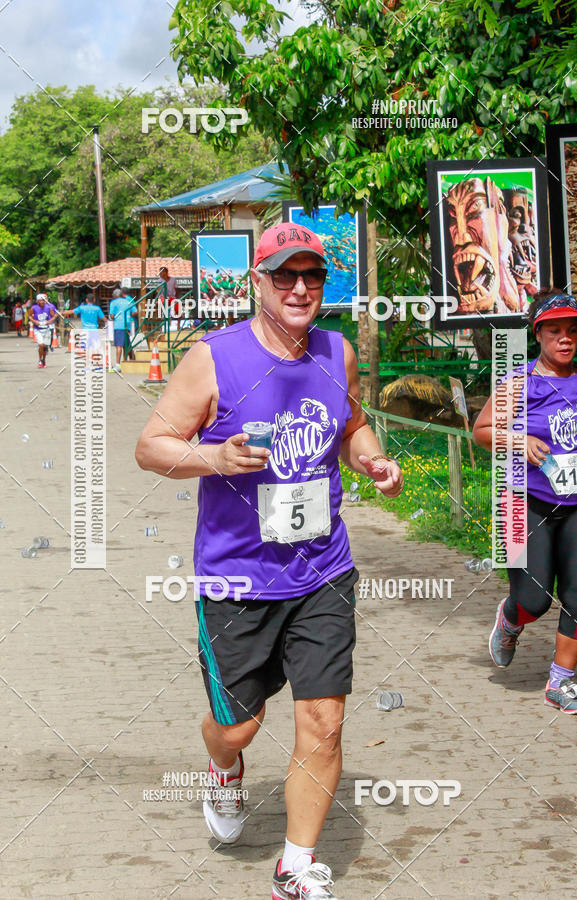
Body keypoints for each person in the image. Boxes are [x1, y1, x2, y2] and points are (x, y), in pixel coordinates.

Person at [135, 222, 404, 899]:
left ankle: (296, 865)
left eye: (312, 275)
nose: (299, 288)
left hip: (322, 570)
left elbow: (349, 423)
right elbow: (152, 445)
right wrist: (213, 457)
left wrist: (370, 458)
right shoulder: (213, 358)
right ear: (258, 282)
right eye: (283, 275)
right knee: (239, 725)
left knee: (324, 718)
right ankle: (223, 770)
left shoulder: (336, 352)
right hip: (237, 577)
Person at [473, 289, 577, 714]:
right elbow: (483, 430)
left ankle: (560, 683)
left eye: (571, 331)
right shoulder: (520, 383)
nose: (565, 339)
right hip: (526, 501)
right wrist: (520, 439)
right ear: (538, 334)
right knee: (535, 599)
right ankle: (510, 620)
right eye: (555, 331)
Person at [109, 287, 137, 371]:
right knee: (127, 344)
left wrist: (115, 317)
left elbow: (112, 316)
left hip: (118, 325)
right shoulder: (128, 301)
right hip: (127, 324)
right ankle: (130, 360)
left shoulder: (113, 302)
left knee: (119, 345)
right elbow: (135, 311)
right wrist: (129, 316)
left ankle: (118, 365)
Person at [30, 292, 58, 368]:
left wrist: (50, 321)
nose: (42, 302)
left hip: (47, 329)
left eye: (43, 300)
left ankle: (44, 360)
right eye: (40, 300)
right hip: (38, 329)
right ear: (37, 301)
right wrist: (34, 321)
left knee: (45, 346)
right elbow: (29, 316)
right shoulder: (34, 308)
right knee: (41, 345)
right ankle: (40, 360)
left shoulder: (49, 307)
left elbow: (54, 316)